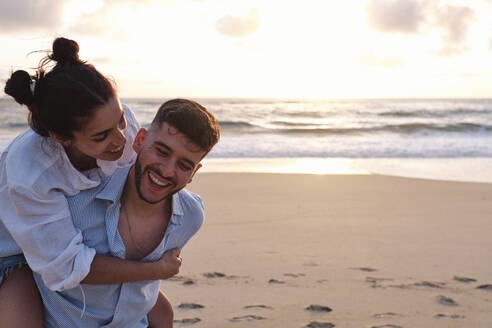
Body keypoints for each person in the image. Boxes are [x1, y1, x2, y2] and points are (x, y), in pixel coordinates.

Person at [0, 38, 180, 328]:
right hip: (13, 253)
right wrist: (153, 269)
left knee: (162, 315)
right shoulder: (30, 172)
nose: (122, 139)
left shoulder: (119, 127)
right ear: (61, 138)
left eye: (120, 121)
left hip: (76, 235)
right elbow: (65, 268)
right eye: (102, 136)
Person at [34, 98, 220, 327]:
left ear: (194, 172)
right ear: (140, 141)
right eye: (161, 151)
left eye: (184, 165)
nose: (167, 171)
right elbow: (55, 265)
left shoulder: (191, 216)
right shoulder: (76, 201)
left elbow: (140, 290)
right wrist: (155, 270)